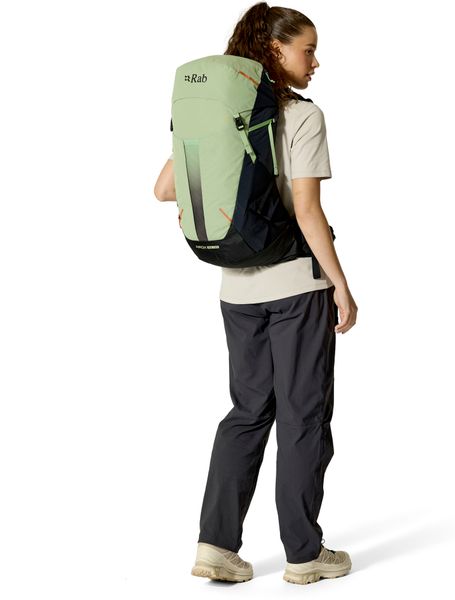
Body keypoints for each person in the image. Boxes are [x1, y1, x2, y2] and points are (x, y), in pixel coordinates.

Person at [154, 2, 358, 586]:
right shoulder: (303, 116)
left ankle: (216, 546)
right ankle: (304, 554)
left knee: (247, 412)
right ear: (274, 49)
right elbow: (308, 211)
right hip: (296, 287)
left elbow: (164, 189)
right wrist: (341, 285)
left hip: (236, 290)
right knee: (303, 416)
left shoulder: (226, 115)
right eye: (307, 50)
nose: (315, 63)